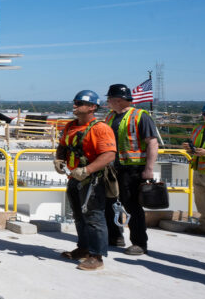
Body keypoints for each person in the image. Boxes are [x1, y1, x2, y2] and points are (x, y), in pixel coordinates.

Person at [53, 90, 117, 271]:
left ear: (92, 107)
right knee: (79, 216)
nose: (75, 105)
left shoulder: (100, 129)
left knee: (94, 217)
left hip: (92, 180)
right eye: (75, 102)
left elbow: (109, 154)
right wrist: (59, 160)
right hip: (74, 177)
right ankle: (83, 249)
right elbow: (63, 146)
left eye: (80, 103)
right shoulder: (70, 126)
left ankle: (97, 257)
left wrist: (87, 170)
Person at [104, 84, 160, 254]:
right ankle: (115, 236)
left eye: (109, 99)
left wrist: (149, 169)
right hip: (113, 169)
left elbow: (152, 142)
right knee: (109, 204)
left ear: (119, 100)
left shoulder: (140, 117)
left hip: (133, 169)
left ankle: (139, 243)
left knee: (132, 206)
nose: (107, 102)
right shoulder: (110, 117)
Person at [185, 102, 205, 239]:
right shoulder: (198, 129)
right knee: (202, 203)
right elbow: (196, 147)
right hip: (199, 171)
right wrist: (189, 148)